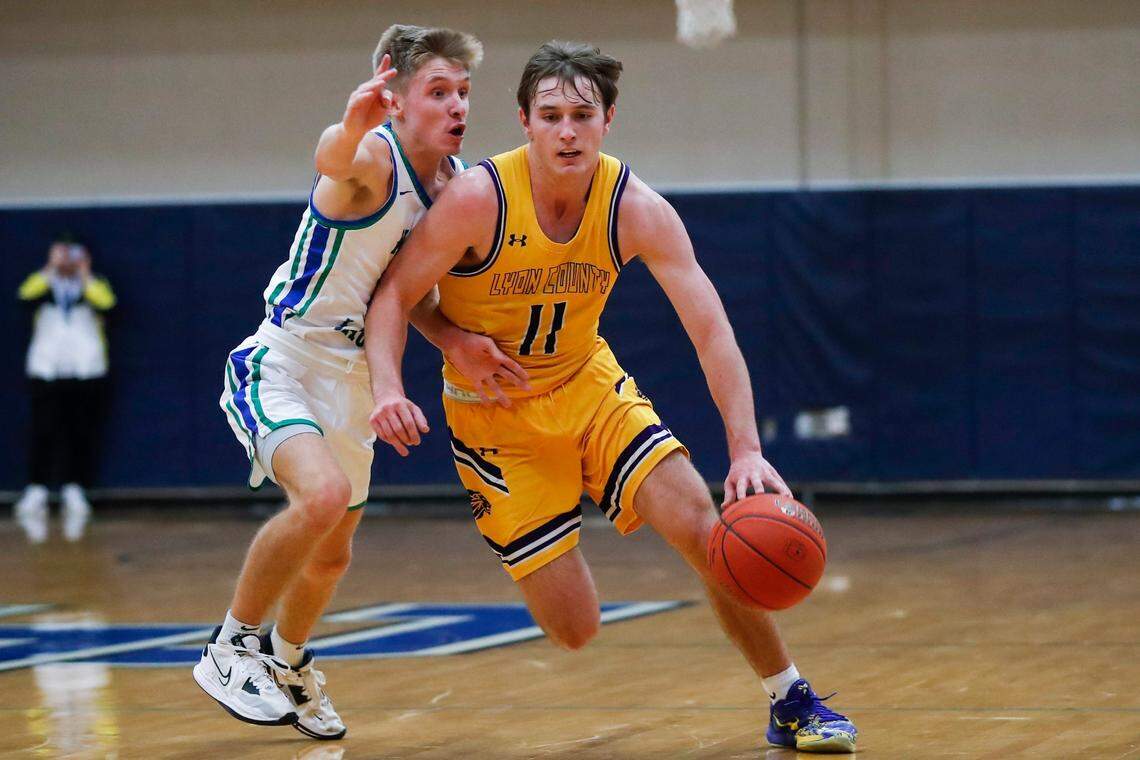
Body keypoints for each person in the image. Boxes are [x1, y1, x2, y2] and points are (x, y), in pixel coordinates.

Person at [364, 41, 858, 753]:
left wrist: (746, 450)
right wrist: (427, 360)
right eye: (551, 115)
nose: (567, 131)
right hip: (495, 421)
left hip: (591, 389)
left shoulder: (635, 207)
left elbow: (712, 332)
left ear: (608, 119)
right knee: (576, 627)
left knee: (708, 531)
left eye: (582, 115)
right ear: (526, 122)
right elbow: (395, 294)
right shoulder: (478, 200)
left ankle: (790, 699)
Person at [195, 24, 524, 740]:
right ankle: (230, 647)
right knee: (322, 496)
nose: (457, 105)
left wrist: (458, 341)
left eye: (464, 92)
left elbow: (407, 298)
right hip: (284, 359)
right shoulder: (372, 156)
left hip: (352, 379)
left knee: (334, 553)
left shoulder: (453, 186)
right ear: (396, 96)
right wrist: (349, 123)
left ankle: (288, 660)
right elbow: (331, 159)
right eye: (439, 91)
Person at [14, 237, 116, 544]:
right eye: (62, 253)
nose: (67, 260)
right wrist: (50, 268)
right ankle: (37, 490)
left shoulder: (95, 284)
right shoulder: (44, 284)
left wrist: (84, 273)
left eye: (73, 254)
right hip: (47, 368)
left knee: (80, 431)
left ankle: (75, 488)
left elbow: (107, 303)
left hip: (85, 369)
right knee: (43, 430)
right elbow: (23, 296)